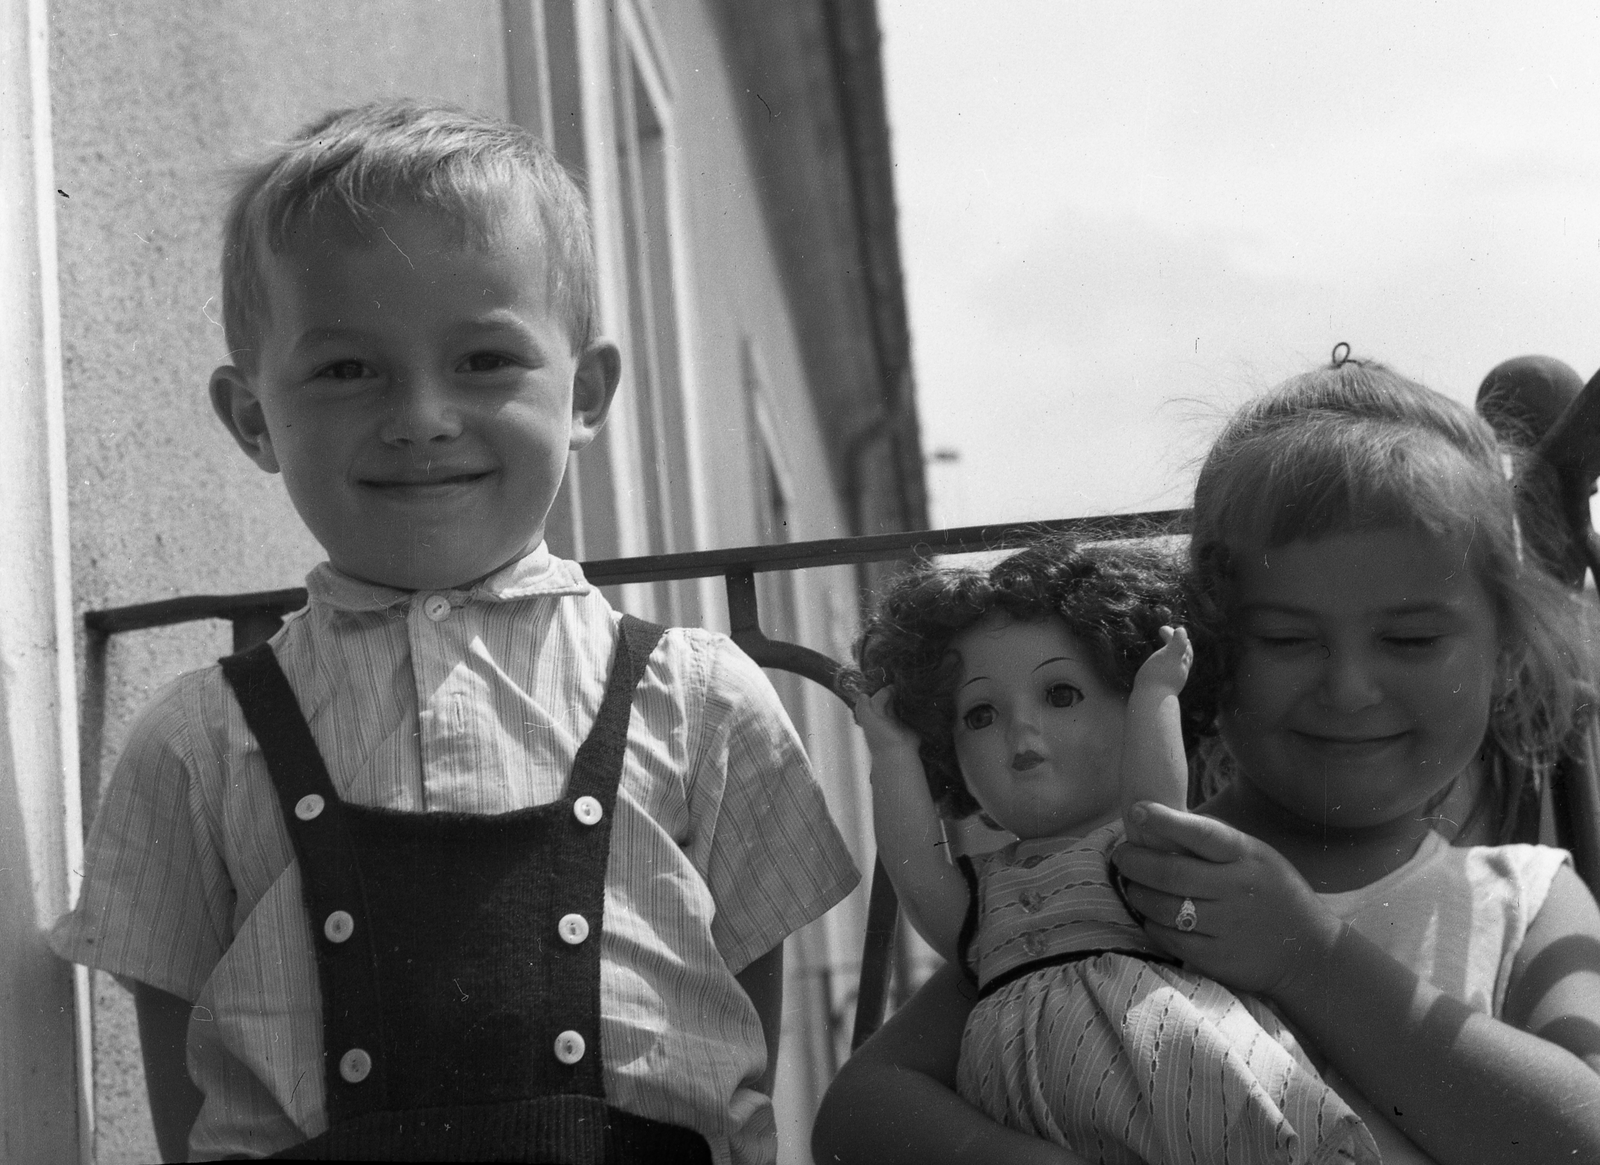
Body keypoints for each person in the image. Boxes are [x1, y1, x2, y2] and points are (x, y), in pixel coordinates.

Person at [50, 100, 858, 1163]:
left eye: (483, 359)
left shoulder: (704, 704)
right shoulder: (195, 747)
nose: (422, 414)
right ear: (252, 418)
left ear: (587, 391)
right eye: (347, 368)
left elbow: (739, 1055)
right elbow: (188, 1103)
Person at [814, 356, 1600, 1165]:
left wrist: (1309, 955)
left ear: (1504, 647)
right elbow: (858, 1109)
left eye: (1411, 639)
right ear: (1206, 650)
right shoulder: (1124, 869)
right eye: (1288, 639)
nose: (1350, 686)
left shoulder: (1528, 901)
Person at [849, 539, 1375, 1164]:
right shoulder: (983, 897)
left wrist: (1155, 696)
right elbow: (916, 874)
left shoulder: (1135, 850)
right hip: (1027, 1115)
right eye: (981, 714)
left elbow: (1156, 811)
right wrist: (892, 756)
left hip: (1166, 1068)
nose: (1022, 731)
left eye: (1061, 695)